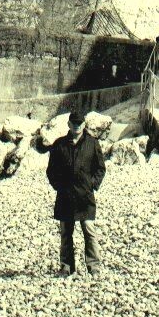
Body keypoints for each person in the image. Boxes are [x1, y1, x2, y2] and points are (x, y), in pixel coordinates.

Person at [46, 112, 106, 276]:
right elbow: (51, 171)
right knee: (66, 233)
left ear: (84, 125)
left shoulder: (92, 143)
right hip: (65, 197)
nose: (77, 125)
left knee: (89, 230)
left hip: (85, 197)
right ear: (69, 124)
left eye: (79, 123)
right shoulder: (59, 145)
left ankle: (93, 266)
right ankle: (66, 267)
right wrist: (59, 186)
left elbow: (100, 168)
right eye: (74, 122)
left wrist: (92, 185)